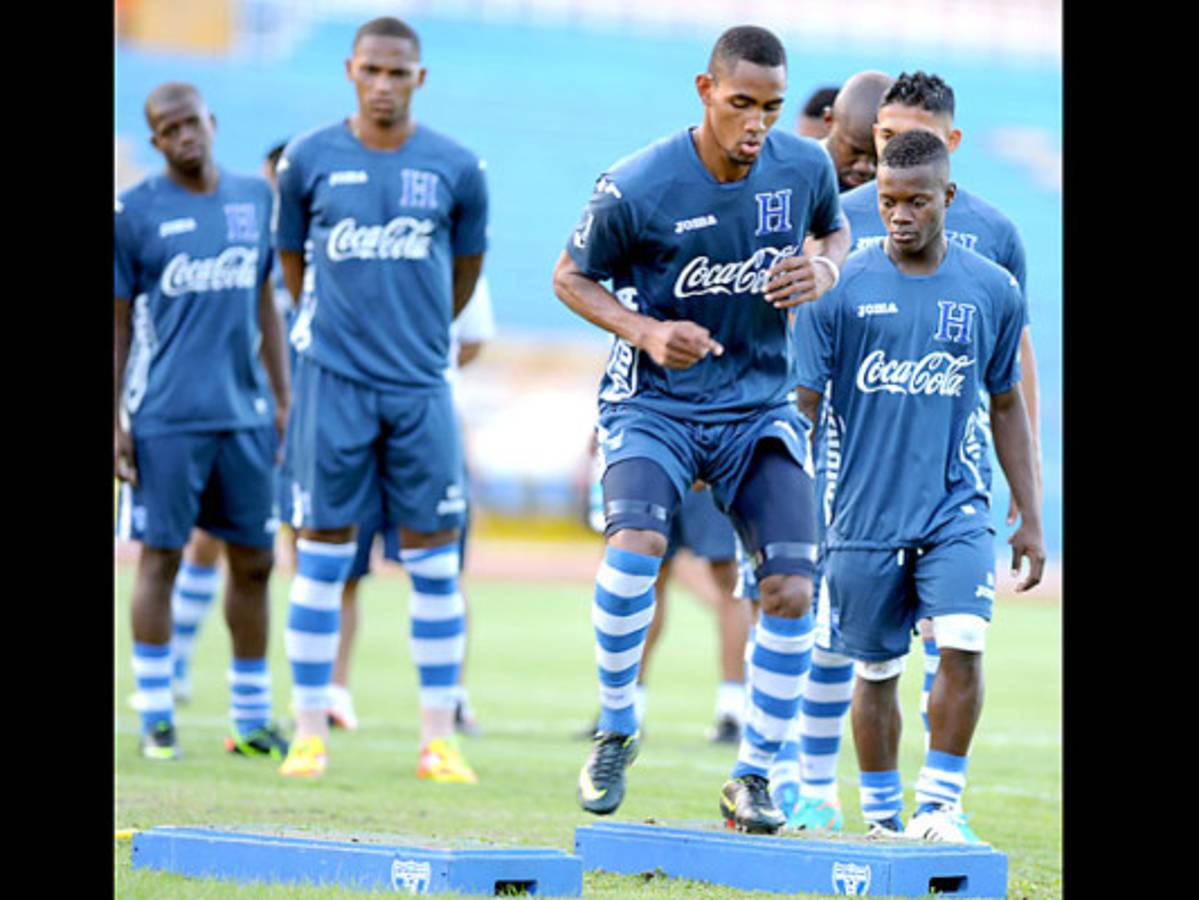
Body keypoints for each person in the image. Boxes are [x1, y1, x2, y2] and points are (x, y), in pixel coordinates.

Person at [551, 25, 849, 833]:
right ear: (704, 91)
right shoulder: (637, 184)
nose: (756, 123)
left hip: (756, 408)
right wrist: (644, 332)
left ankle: (752, 774)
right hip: (654, 407)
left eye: (771, 107)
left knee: (792, 587)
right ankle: (616, 725)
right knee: (636, 547)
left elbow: (833, 231)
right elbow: (569, 276)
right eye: (741, 103)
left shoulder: (803, 165)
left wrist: (822, 267)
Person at [783, 70, 1044, 830]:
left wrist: (1026, 510)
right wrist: (782, 507)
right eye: (888, 201)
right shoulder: (836, 282)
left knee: (961, 641)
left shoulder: (989, 283)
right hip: (858, 505)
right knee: (873, 667)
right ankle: (877, 817)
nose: (897, 216)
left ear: (947, 199)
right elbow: (799, 405)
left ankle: (941, 807)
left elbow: (1006, 399)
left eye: (915, 202)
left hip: (955, 500)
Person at [272, 16, 488, 782]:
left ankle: (438, 739)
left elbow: (463, 273)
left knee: (433, 565)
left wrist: (418, 338)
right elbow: (292, 264)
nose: (384, 84)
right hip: (332, 383)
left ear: (418, 78)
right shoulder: (308, 160)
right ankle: (307, 731)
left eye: (399, 73)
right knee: (321, 555)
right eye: (372, 70)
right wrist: (335, 335)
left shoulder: (457, 168)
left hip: (421, 386)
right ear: (350, 71)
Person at [115, 82, 291, 762]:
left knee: (255, 561)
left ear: (212, 123)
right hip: (163, 416)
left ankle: (248, 720)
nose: (184, 135)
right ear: (156, 141)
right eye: (168, 129)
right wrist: (117, 420)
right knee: (160, 558)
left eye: (192, 122)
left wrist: (281, 397)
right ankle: (156, 716)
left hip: (243, 416)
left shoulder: (254, 198)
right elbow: (119, 327)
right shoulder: (132, 213)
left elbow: (265, 306)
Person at [326, 277, 496, 735]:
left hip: (428, 420)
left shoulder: (451, 241)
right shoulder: (354, 235)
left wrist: (416, 368)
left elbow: (475, 338)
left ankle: (451, 696)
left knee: (442, 568)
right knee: (341, 562)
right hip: (355, 416)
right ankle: (332, 693)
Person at [166, 141, 293, 706]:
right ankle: (176, 658)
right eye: (274, 181)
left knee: (304, 548)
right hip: (243, 412)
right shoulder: (241, 243)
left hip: (315, 413)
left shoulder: (323, 247)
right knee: (207, 540)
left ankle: (316, 690)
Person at [578, 468, 752, 745]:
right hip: (664, 452)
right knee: (647, 576)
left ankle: (732, 709)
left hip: (702, 454)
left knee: (727, 577)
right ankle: (629, 706)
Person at [817, 71, 893, 192]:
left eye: (879, 157)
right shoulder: (796, 179)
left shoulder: (897, 195)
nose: (866, 168)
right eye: (855, 151)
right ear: (829, 119)